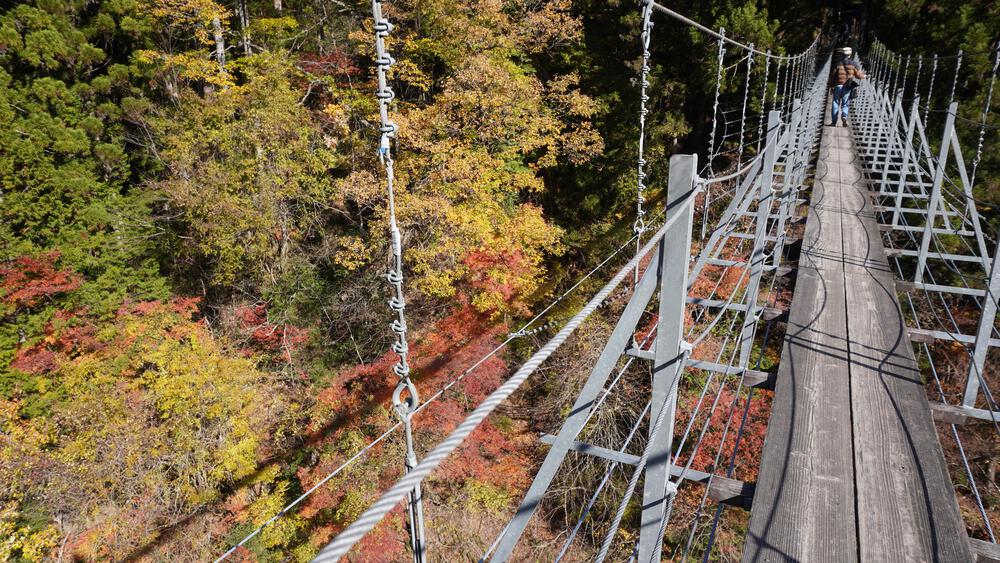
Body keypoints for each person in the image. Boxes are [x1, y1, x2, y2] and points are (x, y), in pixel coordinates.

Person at [828, 47, 866, 126]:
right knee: (845, 103)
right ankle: (844, 116)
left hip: (838, 85)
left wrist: (831, 86)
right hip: (847, 86)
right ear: (850, 54)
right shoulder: (854, 64)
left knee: (835, 102)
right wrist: (864, 76)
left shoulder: (838, 63)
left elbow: (833, 75)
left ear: (843, 54)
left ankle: (834, 122)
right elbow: (858, 75)